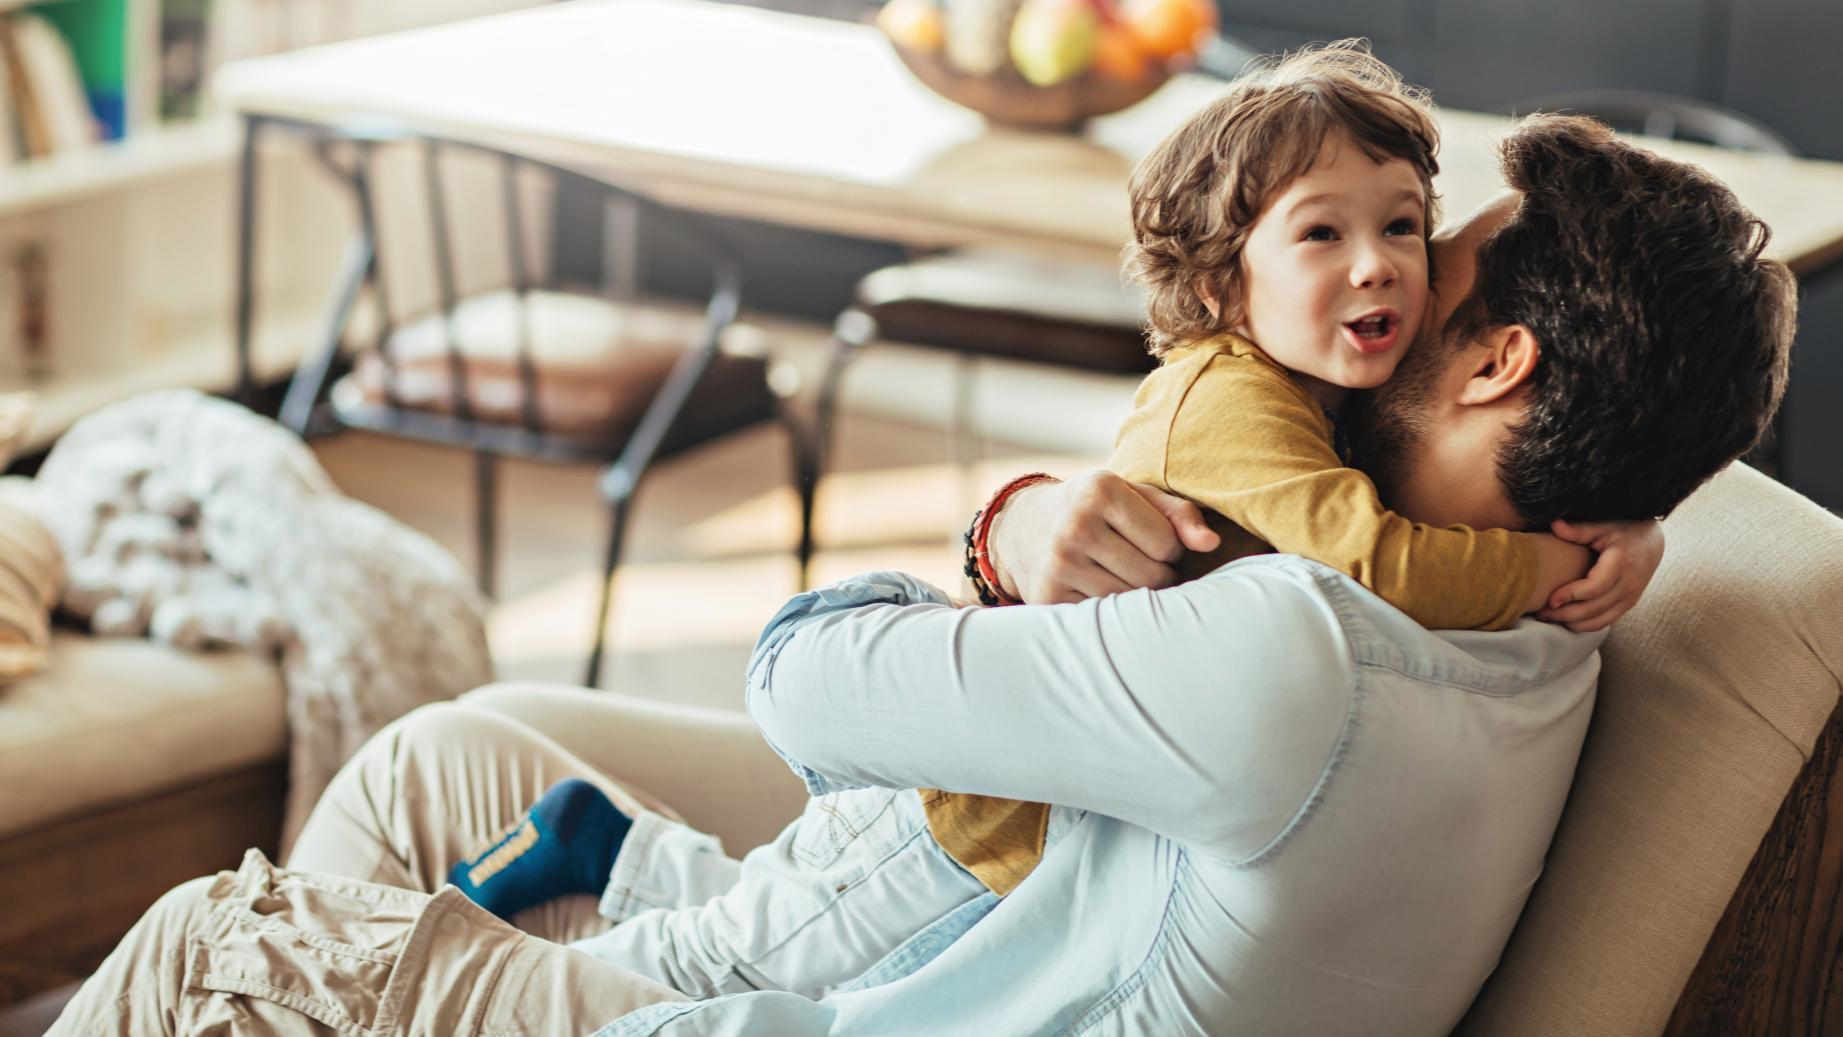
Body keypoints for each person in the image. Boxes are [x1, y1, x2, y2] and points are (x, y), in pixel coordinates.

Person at [50, 114, 1793, 1036]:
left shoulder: (1292, 661)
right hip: (916, 930)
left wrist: (998, 535)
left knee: (213, 937)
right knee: (442, 761)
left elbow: (801, 685)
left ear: (1491, 367)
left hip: (819, 1007)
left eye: (1429, 259)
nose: (1387, 287)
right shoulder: (1553, 604)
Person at [440, 42, 1662, 959]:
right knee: (741, 954)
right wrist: (1550, 573)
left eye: (1403, 224)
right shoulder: (1228, 405)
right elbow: (1378, 561)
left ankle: (607, 846)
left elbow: (1560, 440)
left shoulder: (1335, 388)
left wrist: (1645, 519)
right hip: (990, 804)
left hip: (1055, 774)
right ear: (1225, 286)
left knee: (775, 908)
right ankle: (495, 962)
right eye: (1320, 233)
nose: (1376, 262)